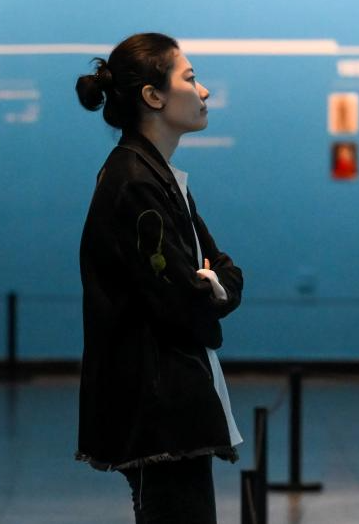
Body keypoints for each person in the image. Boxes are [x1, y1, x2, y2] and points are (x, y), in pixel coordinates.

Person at [74, 33, 244, 523]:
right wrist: (210, 291)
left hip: (172, 403)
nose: (204, 91)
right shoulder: (134, 182)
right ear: (153, 96)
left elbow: (224, 270)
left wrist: (215, 286)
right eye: (190, 79)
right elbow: (183, 299)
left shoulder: (159, 176)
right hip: (157, 410)